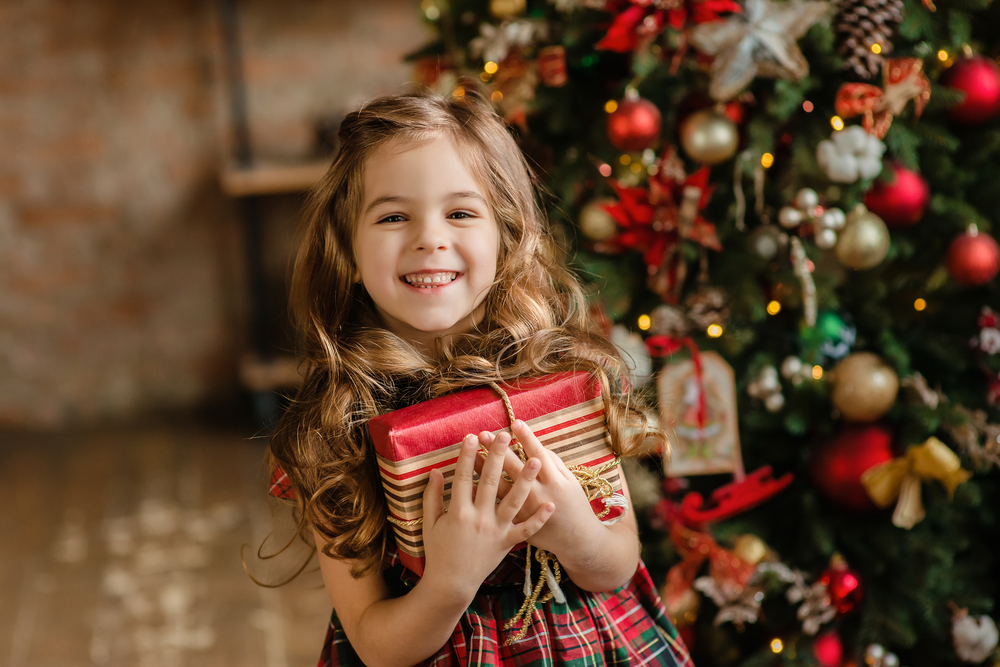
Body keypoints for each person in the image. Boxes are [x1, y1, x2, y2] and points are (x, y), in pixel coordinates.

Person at [267, 87, 691, 667]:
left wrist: (574, 532)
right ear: (348, 252)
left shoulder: (564, 378)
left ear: (505, 236)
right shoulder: (334, 427)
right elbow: (373, 641)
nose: (429, 238)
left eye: (461, 212)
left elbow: (617, 562)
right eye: (393, 216)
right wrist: (449, 580)